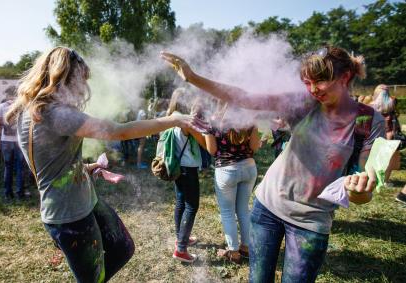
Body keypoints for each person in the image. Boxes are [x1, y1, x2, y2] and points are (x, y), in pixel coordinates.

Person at [161, 46, 385, 282]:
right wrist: (193, 77)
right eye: (306, 82)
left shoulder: (368, 122)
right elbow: (245, 97)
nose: (312, 90)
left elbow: (363, 192)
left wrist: (360, 190)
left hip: (311, 221)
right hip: (267, 208)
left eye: (319, 82)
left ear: (345, 77)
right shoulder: (304, 103)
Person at [5, 47, 199, 282]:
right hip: (69, 214)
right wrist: (173, 119)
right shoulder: (56, 113)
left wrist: (84, 168)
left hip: (80, 202)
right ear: (67, 77)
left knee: (122, 248)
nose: (83, 88)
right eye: (81, 80)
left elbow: (50, 163)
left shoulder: (37, 109)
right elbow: (120, 132)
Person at [204, 102, 260, 263]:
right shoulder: (250, 119)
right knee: (243, 209)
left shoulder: (213, 120)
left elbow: (212, 150)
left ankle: (234, 252)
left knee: (228, 212)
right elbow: (254, 147)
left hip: (226, 170)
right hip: (249, 168)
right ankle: (246, 247)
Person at [166, 88, 207, 263]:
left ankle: (180, 237)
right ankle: (181, 249)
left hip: (177, 167)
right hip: (187, 169)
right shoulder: (185, 122)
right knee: (192, 206)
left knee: (181, 203)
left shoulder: (170, 117)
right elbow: (205, 142)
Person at [0, 86, 26, 200]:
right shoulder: (23, 106)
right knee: (20, 168)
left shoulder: (1, 106)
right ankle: (20, 194)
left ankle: (8, 194)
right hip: (19, 141)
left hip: (5, 141)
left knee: (8, 167)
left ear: (7, 94)